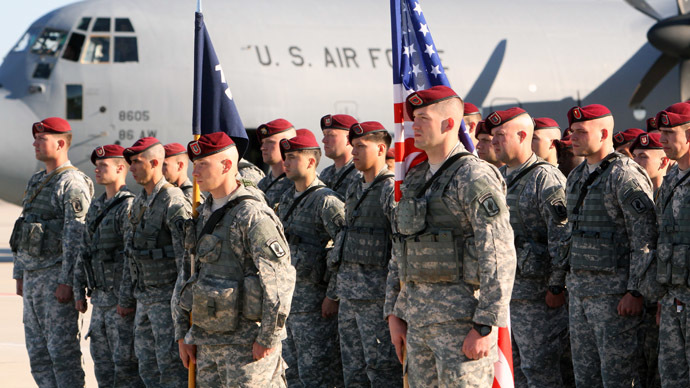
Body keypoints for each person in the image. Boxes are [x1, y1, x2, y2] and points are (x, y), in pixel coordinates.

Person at [385, 86, 516, 387]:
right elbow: (400, 249)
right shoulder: (416, 179)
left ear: (448, 124)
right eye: (413, 118)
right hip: (417, 325)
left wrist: (485, 324)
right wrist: (394, 312)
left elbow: (498, 253)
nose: (413, 125)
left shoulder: (473, 176)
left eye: (423, 118)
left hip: (461, 326)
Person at [173, 132, 295, 387]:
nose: (195, 172)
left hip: (247, 348)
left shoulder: (252, 215)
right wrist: (182, 331)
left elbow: (279, 280)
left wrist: (267, 338)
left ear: (227, 165)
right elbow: (188, 273)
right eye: (194, 165)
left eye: (202, 164)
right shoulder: (203, 212)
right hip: (207, 343)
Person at [558, 104, 657, 388]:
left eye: (580, 132)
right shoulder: (577, 177)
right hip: (580, 296)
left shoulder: (624, 175)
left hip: (614, 299)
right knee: (586, 378)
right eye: (572, 131)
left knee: (619, 378)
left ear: (603, 133)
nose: (573, 136)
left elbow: (645, 238)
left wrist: (634, 290)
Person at [487, 108, 570, 388]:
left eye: (501, 135)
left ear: (523, 135)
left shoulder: (545, 178)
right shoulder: (496, 177)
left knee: (540, 370)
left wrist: (556, 286)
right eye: (493, 136)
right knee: (514, 370)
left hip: (537, 297)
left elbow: (562, 236)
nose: (494, 141)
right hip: (506, 295)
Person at [10, 117, 93, 387]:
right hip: (34, 279)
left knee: (63, 354)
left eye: (41, 139)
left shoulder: (72, 184)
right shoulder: (37, 181)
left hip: (56, 279)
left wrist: (68, 281)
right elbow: (24, 228)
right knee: (39, 355)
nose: (35, 143)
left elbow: (76, 238)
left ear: (60, 143)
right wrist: (20, 272)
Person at [328, 121, 402, 387]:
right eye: (353, 146)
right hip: (350, 296)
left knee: (381, 371)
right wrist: (335, 292)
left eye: (361, 146)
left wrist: (395, 305)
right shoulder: (354, 187)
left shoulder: (391, 190)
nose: (354, 151)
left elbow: (400, 248)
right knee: (353, 370)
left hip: (377, 299)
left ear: (381, 148)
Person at [277, 129, 345, 387]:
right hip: (290, 305)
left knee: (317, 374)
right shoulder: (285, 199)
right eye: (286, 156)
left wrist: (333, 295)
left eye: (293, 156)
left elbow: (343, 248)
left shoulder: (326, 202)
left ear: (311, 162)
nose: (287, 162)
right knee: (292, 374)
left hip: (315, 306)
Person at [121, 137, 191, 387]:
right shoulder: (140, 201)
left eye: (137, 162)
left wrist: (183, 311)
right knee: (148, 369)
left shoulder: (173, 201)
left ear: (154, 163)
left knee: (171, 370)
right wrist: (127, 298)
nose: (131, 167)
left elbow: (186, 261)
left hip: (166, 303)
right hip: (144, 300)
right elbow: (132, 253)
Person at [73, 145, 144, 388]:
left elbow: (129, 258)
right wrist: (78, 291)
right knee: (102, 367)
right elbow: (84, 251)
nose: (97, 170)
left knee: (125, 368)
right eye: (97, 165)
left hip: (118, 304)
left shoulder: (128, 207)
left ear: (120, 168)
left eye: (103, 165)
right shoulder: (95, 206)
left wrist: (125, 300)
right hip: (99, 302)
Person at [652, 102, 690, 387]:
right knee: (672, 377)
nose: (661, 139)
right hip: (673, 296)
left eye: (668, 132)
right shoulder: (671, 178)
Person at [630, 132, 667, 388]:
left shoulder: (669, 194)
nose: (636, 163)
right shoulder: (636, 196)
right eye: (634, 157)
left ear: (664, 162)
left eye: (643, 157)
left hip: (664, 300)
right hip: (642, 299)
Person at [319, 114, 362, 199]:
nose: (324, 140)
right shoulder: (325, 173)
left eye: (331, 135)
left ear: (349, 139)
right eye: (324, 135)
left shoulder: (359, 175)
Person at [257, 118, 297, 208]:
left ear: (287, 145)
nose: (263, 147)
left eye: (270, 142)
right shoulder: (262, 184)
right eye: (263, 142)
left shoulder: (299, 182)